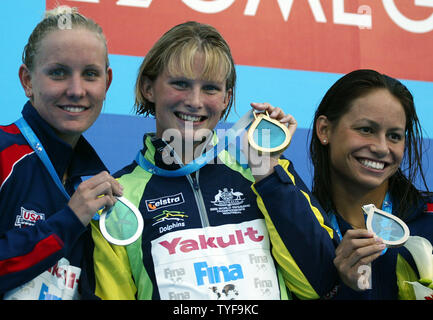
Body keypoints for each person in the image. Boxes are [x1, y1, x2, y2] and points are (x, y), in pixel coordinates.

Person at [91, 21, 338, 300]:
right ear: (149, 88)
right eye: (180, 84)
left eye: (210, 88)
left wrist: (267, 173)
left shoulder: (264, 175)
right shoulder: (119, 198)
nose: (195, 101)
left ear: (226, 99)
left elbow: (321, 286)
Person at [0, 6, 122, 300]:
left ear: (106, 83)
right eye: (58, 73)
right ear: (28, 81)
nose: (76, 90)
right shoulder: (5, 154)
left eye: (90, 74)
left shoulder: (97, 181)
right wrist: (67, 221)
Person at [310, 69, 433, 299]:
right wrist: (350, 290)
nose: (381, 148)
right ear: (324, 130)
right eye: (366, 130)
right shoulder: (304, 229)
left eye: (394, 136)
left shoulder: (429, 220)